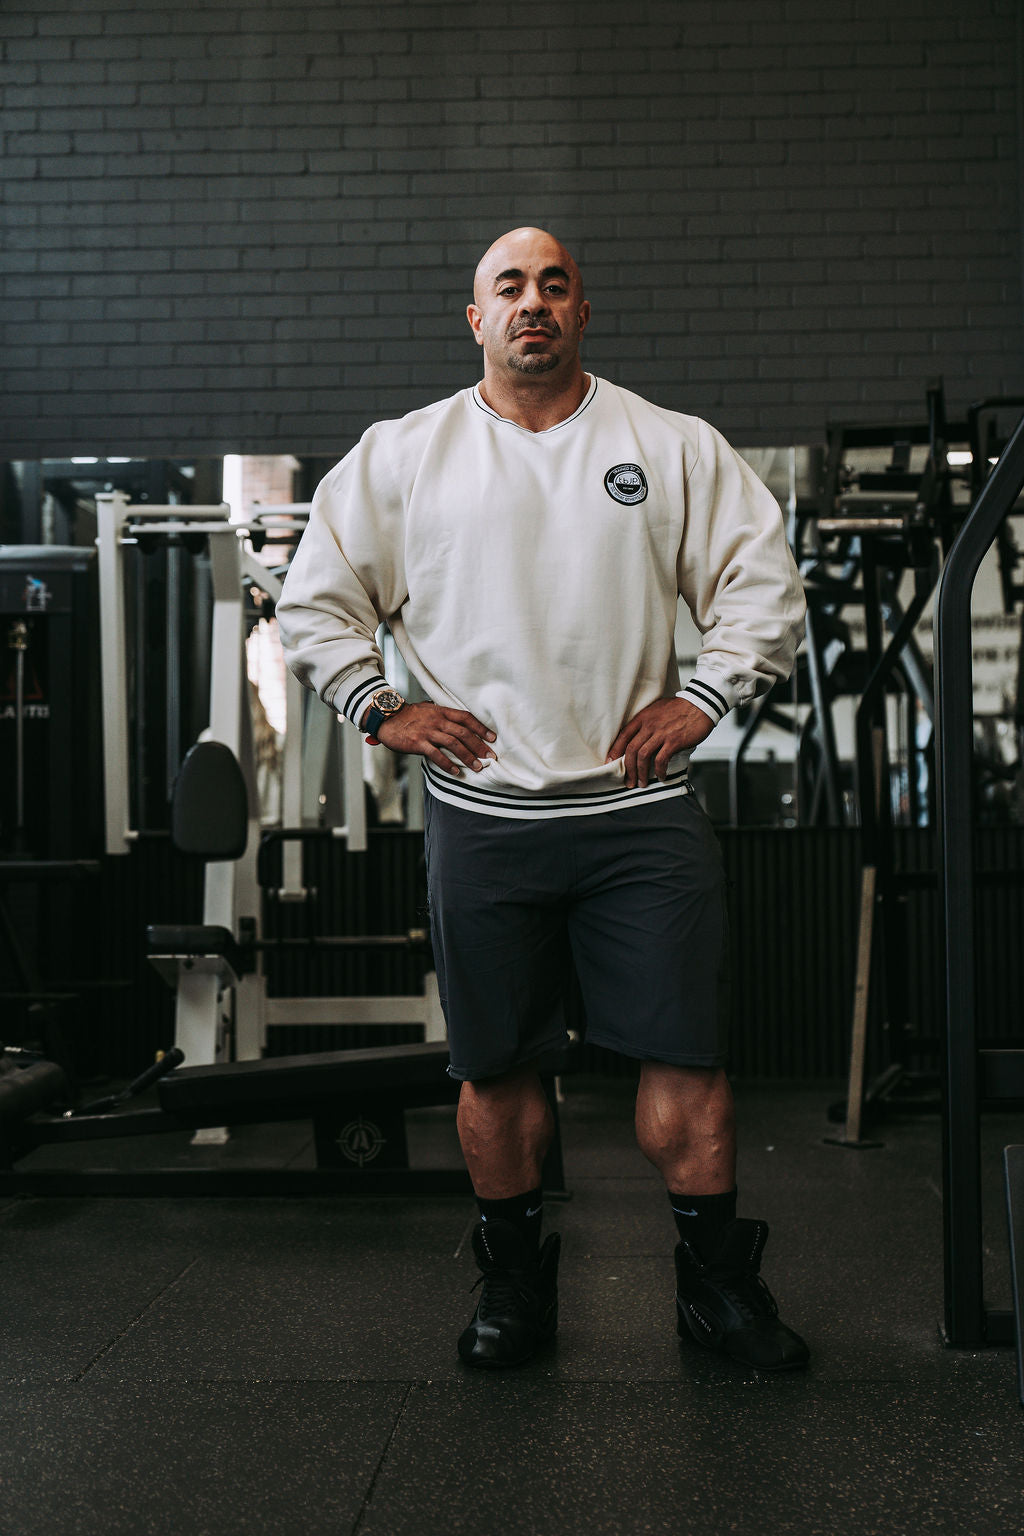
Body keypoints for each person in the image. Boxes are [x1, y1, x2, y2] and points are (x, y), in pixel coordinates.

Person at [277, 227, 809, 1373]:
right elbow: (316, 604)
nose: (533, 303)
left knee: (693, 1072)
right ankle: (514, 1286)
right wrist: (384, 709)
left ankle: (714, 1294)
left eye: (553, 285)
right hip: (487, 818)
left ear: (581, 313)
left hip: (637, 812)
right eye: (508, 287)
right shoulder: (402, 456)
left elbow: (760, 585)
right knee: (495, 1072)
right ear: (475, 319)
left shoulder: (665, 445)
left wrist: (706, 695)